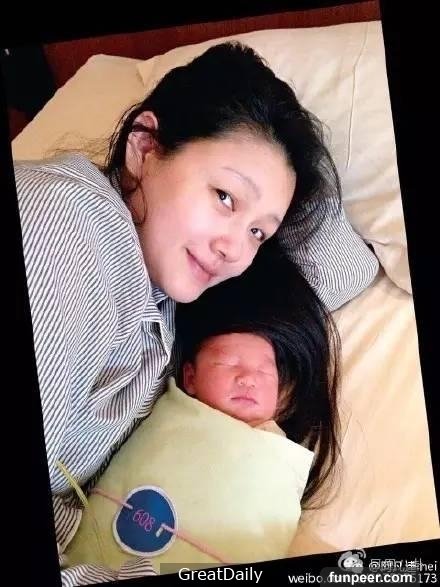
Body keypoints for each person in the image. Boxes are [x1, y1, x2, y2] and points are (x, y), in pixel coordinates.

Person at [15, 41, 341, 584]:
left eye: (259, 232)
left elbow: (343, 270)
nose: (235, 250)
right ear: (143, 146)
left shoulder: (164, 289)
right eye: (225, 196)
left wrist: (297, 161)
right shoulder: (60, 225)